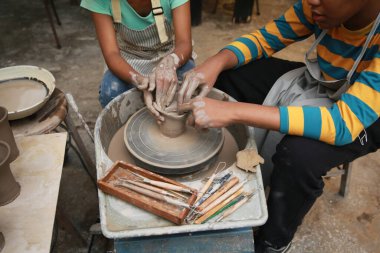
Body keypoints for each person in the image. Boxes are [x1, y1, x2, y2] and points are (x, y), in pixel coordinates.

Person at [177, 0, 380, 252]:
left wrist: (233, 112)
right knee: (228, 75)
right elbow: (265, 39)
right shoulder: (317, 6)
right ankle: (219, 182)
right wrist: (217, 61)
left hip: (365, 116)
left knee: (299, 155)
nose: (311, 1)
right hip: (327, 81)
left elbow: (340, 124)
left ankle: (273, 241)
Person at [81, 0, 193, 120]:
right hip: (127, 59)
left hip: (167, 55)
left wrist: (170, 63)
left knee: (189, 85)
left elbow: (184, 43)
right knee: (111, 92)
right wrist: (139, 80)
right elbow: (111, 54)